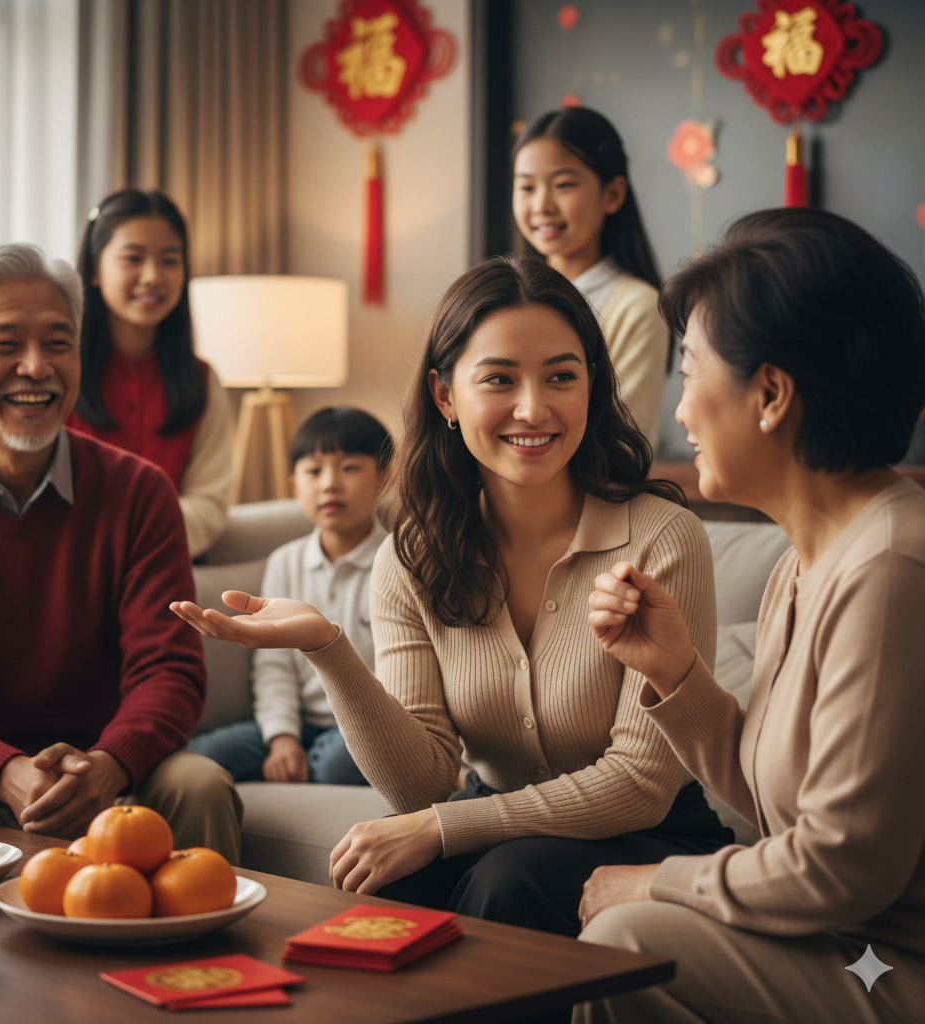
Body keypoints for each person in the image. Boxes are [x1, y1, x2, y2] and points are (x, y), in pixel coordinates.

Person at [172, 255, 732, 946]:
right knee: (382, 881)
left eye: (562, 376)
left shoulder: (662, 537)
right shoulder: (411, 557)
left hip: (650, 833)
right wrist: (328, 648)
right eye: (499, 379)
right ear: (444, 395)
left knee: (509, 878)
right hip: (500, 833)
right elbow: (424, 784)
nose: (534, 408)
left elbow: (640, 783)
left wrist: (443, 828)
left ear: (592, 385)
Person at [578, 209, 925, 1024]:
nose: (680, 412)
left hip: (893, 963)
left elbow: (841, 866)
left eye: (690, 371)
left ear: (770, 394)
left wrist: (661, 881)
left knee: (627, 943)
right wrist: (674, 672)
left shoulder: (890, 570)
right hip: (846, 942)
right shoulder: (805, 560)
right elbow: (781, 812)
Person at [0, 244, 243, 864]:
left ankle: (199, 931)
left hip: (106, 774)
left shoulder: (141, 492)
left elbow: (169, 670)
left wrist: (108, 765)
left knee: (199, 783)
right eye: (6, 344)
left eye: (58, 343)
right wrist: (1, 768)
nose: (37, 367)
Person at [188, 406, 392, 786]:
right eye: (314, 471)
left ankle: (313, 769)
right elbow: (274, 665)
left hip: (370, 725)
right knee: (200, 756)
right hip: (299, 722)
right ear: (295, 487)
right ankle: (298, 761)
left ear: (385, 478)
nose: (330, 484)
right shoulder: (285, 562)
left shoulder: (397, 560)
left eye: (349, 468)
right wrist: (282, 738)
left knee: (336, 765)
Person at [66, 188, 231, 560]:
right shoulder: (57, 373)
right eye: (133, 258)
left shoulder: (202, 380)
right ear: (94, 269)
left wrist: (133, 541)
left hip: (170, 565)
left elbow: (209, 504)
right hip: (74, 564)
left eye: (169, 260)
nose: (153, 277)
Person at [513, 108, 669, 446]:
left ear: (612, 194)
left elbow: (622, 443)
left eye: (563, 185)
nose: (541, 205)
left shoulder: (637, 308)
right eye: (526, 187)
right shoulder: (506, 298)